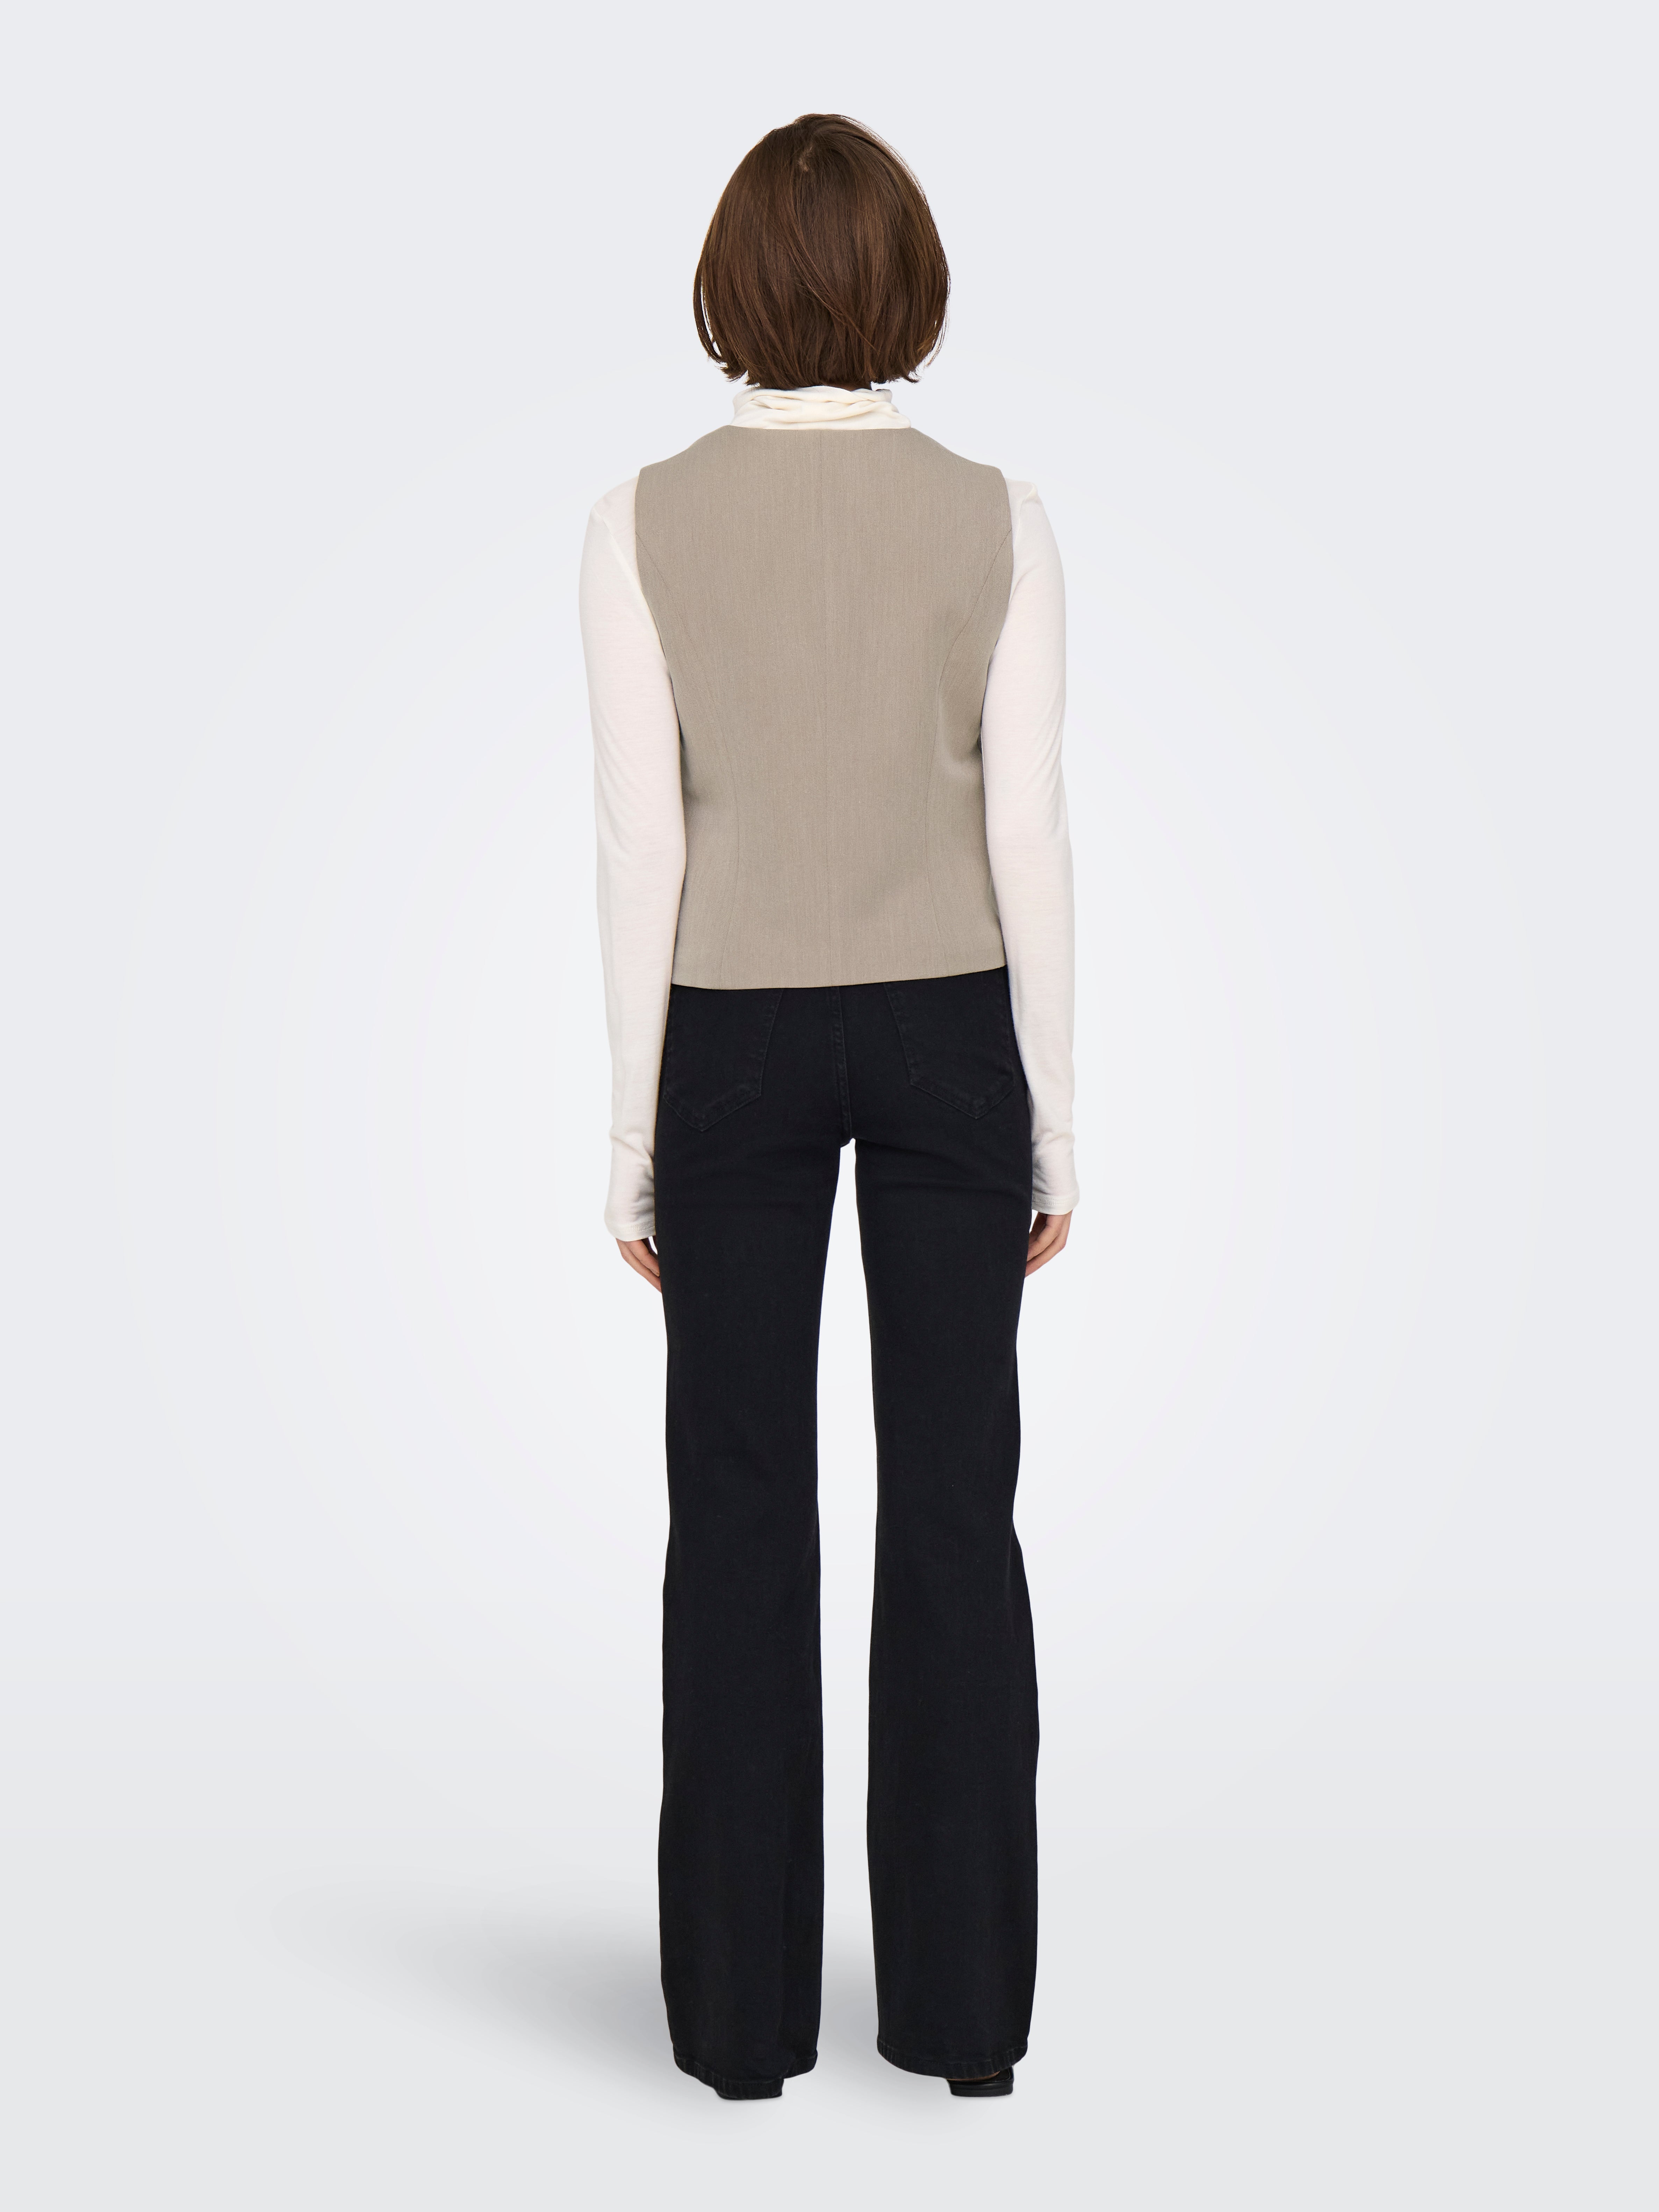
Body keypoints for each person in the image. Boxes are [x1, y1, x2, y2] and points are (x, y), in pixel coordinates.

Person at [579, 113, 1076, 2102]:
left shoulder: (637, 521)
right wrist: (1056, 1120)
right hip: (951, 1022)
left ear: (731, 287)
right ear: (908, 284)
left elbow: (645, 842)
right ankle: (963, 2021)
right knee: (956, 1506)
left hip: (733, 1033)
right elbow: (1027, 833)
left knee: (738, 1511)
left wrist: (634, 1140)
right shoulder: (1001, 515)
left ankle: (736, 2026)